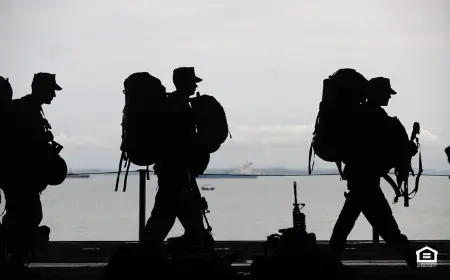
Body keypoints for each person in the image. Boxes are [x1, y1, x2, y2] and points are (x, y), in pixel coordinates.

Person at [329, 77, 417, 270]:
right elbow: (379, 148)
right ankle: (416, 261)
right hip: (365, 181)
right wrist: (406, 149)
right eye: (386, 93)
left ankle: (331, 261)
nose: (389, 97)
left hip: (360, 179)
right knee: (386, 227)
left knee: (348, 222)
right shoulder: (374, 117)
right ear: (376, 93)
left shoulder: (362, 115)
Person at [142, 67, 213, 253]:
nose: (195, 85)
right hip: (176, 170)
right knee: (164, 214)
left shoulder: (173, 103)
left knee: (190, 213)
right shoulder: (178, 106)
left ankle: (203, 251)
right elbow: (182, 141)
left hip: (178, 170)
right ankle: (144, 254)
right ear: (182, 83)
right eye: (192, 82)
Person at [2, 73, 61, 277]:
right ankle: (15, 261)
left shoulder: (31, 108)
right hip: (19, 176)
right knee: (28, 216)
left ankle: (14, 259)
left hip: (19, 176)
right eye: (52, 89)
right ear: (40, 88)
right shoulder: (27, 109)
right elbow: (25, 146)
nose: (54, 94)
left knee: (23, 215)